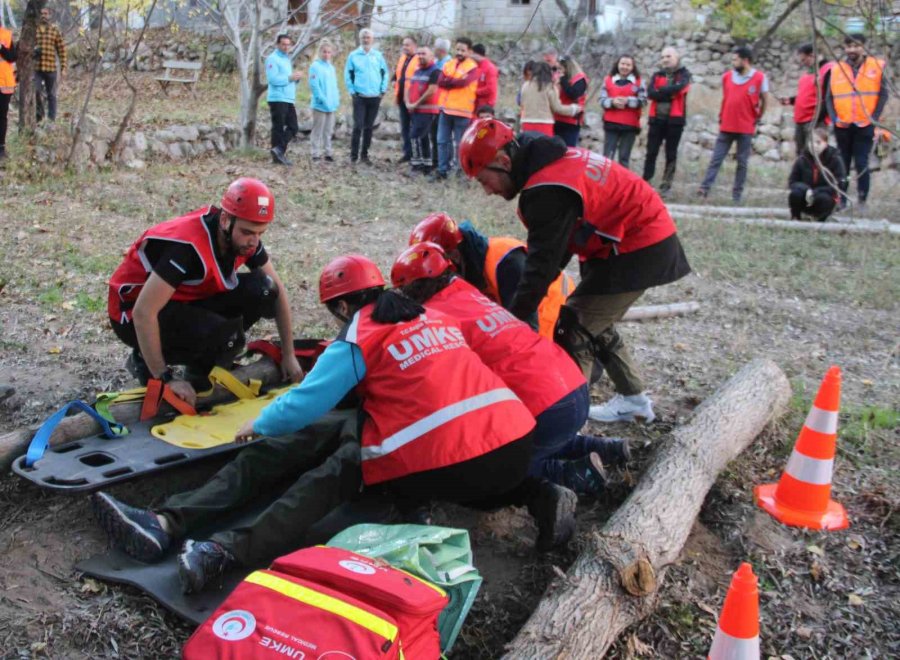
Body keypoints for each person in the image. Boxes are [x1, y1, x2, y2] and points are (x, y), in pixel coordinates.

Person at [458, 119, 691, 423]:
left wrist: (514, 324)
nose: (487, 191)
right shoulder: (547, 166)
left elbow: (541, 265)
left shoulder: (546, 189)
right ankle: (633, 400)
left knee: (574, 326)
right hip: (625, 240)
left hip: (640, 244)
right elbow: (556, 248)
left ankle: (567, 421)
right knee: (595, 320)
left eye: (483, 180)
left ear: (504, 162)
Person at [392, 242, 630, 493]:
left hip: (546, 407)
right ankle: (605, 448)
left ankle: (575, 475)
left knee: (493, 466)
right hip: (573, 385)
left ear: (409, 289)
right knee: (538, 438)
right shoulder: (467, 291)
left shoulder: (433, 319)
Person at [107, 178, 303, 406]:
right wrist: (164, 378)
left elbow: (278, 291)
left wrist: (289, 354)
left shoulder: (244, 238)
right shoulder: (186, 247)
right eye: (248, 232)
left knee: (264, 289)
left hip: (178, 298)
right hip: (130, 315)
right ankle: (146, 360)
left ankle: (200, 367)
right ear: (225, 219)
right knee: (227, 337)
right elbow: (143, 312)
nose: (254, 241)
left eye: (261, 233)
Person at [409, 212, 573, 340]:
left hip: (556, 327)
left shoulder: (506, 262)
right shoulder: (474, 264)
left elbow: (526, 332)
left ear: (454, 255)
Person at [698, 46, 769, 203]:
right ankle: (704, 189)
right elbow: (727, 98)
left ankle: (737, 195)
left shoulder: (759, 78)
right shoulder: (727, 77)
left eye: (735, 60)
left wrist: (758, 116)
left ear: (745, 61)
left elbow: (765, 99)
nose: (733, 63)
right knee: (716, 158)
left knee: (742, 162)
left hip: (746, 127)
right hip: (727, 125)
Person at [826, 33, 887, 211]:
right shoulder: (836, 68)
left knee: (861, 163)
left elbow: (883, 95)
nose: (852, 49)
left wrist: (874, 117)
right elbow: (829, 97)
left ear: (864, 47)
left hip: (865, 124)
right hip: (843, 125)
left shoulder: (877, 66)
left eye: (856, 46)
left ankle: (862, 200)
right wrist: (834, 118)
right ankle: (841, 200)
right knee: (842, 164)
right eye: (848, 46)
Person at [642, 46, 691, 194]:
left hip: (675, 121)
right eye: (663, 57)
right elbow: (650, 93)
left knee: (671, 153)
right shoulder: (657, 75)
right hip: (656, 119)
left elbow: (680, 89)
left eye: (668, 56)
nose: (665, 59)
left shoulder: (684, 74)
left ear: (677, 57)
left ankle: (666, 185)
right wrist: (669, 93)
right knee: (651, 152)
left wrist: (661, 91)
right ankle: (646, 183)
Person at [433, 37, 479, 180]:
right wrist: (453, 81)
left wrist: (450, 81)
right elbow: (440, 81)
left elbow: (463, 83)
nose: (459, 52)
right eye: (457, 49)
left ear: (469, 52)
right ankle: (443, 170)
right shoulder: (449, 64)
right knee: (442, 141)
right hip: (445, 109)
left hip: (462, 111)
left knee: (460, 144)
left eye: (463, 50)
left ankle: (460, 172)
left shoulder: (473, 67)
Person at [344, 28, 389, 165]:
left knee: (369, 127)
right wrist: (352, 92)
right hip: (360, 97)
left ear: (372, 39)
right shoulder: (353, 55)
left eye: (368, 37)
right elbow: (348, 75)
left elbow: (385, 73)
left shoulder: (378, 56)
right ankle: (353, 156)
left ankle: (365, 155)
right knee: (358, 126)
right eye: (363, 37)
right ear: (360, 39)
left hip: (375, 97)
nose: (366, 39)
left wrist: (382, 91)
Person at [780, 44, 831, 155]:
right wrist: (791, 100)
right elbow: (807, 95)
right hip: (801, 120)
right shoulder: (809, 73)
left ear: (812, 55)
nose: (803, 63)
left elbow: (829, 98)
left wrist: (817, 119)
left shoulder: (828, 70)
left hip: (815, 121)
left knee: (815, 154)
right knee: (802, 155)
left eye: (804, 59)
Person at [788, 127, 846, 221]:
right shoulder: (802, 159)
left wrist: (816, 191)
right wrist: (806, 189)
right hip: (805, 196)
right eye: (811, 142)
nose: (814, 146)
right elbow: (792, 181)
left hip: (824, 196)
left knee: (824, 199)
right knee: (795, 194)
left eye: (818, 142)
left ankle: (820, 219)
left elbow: (840, 184)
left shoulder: (835, 159)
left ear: (825, 143)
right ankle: (796, 217)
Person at [600, 55, 646, 169]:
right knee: (607, 158)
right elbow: (601, 100)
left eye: (628, 65)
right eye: (622, 64)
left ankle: (622, 180)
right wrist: (612, 102)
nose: (625, 67)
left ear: (632, 67)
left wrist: (628, 101)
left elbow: (643, 101)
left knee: (624, 159)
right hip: (611, 124)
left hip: (630, 125)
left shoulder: (639, 82)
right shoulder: (608, 80)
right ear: (618, 65)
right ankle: (605, 180)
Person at [265, 34, 301, 166]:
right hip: (277, 98)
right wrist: (290, 78)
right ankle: (277, 156)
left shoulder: (286, 59)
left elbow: (288, 79)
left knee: (293, 127)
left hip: (288, 98)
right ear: (277, 45)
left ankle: (278, 150)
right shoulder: (272, 59)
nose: (286, 47)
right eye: (283, 44)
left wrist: (295, 79)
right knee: (278, 128)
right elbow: (272, 79)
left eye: (288, 44)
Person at [405, 45, 441, 173]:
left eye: (423, 54)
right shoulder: (418, 70)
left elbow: (431, 91)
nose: (420, 56)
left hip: (427, 111)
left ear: (431, 56)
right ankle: (426, 165)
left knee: (415, 136)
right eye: (418, 54)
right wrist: (408, 102)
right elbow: (410, 88)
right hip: (415, 110)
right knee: (422, 138)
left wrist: (416, 104)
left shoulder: (435, 71)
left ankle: (417, 165)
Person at [519, 62, 579, 137]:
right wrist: (573, 109)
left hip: (526, 122)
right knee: (544, 144)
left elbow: (522, 104)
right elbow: (557, 108)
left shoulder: (525, 86)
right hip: (545, 124)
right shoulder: (550, 87)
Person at [308, 40, 340, 162]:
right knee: (318, 130)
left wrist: (336, 100)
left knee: (328, 131)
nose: (326, 54)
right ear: (320, 52)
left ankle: (328, 152)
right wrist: (322, 99)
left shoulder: (331, 68)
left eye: (329, 52)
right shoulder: (315, 66)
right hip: (320, 105)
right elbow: (314, 85)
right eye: (324, 52)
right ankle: (315, 153)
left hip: (331, 105)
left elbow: (334, 86)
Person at [34, 6, 66, 123]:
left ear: (50, 15)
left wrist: (63, 67)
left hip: (51, 68)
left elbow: (61, 49)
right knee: (35, 91)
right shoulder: (34, 29)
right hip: (36, 68)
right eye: (42, 13)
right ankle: (39, 116)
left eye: (46, 14)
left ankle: (51, 120)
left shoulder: (55, 30)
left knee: (51, 94)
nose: (43, 16)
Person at [392, 35, 418, 163]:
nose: (405, 47)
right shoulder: (403, 58)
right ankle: (407, 153)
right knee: (405, 128)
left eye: (407, 45)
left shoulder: (418, 59)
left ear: (414, 46)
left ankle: (416, 154)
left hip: (414, 100)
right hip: (402, 99)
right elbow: (397, 74)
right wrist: (393, 80)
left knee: (415, 128)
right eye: (403, 45)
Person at [430, 38, 452, 171]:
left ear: (441, 50)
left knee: (443, 137)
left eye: (435, 47)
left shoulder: (448, 65)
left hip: (443, 105)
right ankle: (436, 160)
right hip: (434, 104)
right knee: (434, 135)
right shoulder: (435, 62)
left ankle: (444, 162)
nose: (433, 50)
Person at [0, 23, 16, 161]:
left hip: (4, 84)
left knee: (2, 116)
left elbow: (12, 57)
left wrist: (1, 48)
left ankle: (1, 148)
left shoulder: (6, 35)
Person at [471, 43, 498, 111]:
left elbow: (490, 88)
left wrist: (474, 91)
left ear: (475, 54)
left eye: (471, 54)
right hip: (476, 103)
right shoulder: (476, 66)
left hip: (486, 105)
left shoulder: (490, 68)